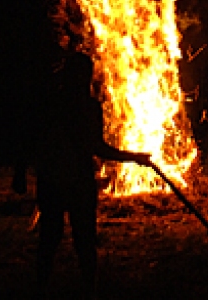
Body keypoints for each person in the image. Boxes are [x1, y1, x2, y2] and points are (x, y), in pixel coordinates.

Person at [35, 48, 150, 295]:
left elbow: (96, 146)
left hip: (71, 180)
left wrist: (134, 158)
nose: (82, 79)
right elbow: (36, 140)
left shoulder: (81, 106)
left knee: (80, 239)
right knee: (56, 237)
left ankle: (85, 288)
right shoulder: (58, 105)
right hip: (63, 179)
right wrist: (133, 158)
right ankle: (46, 287)